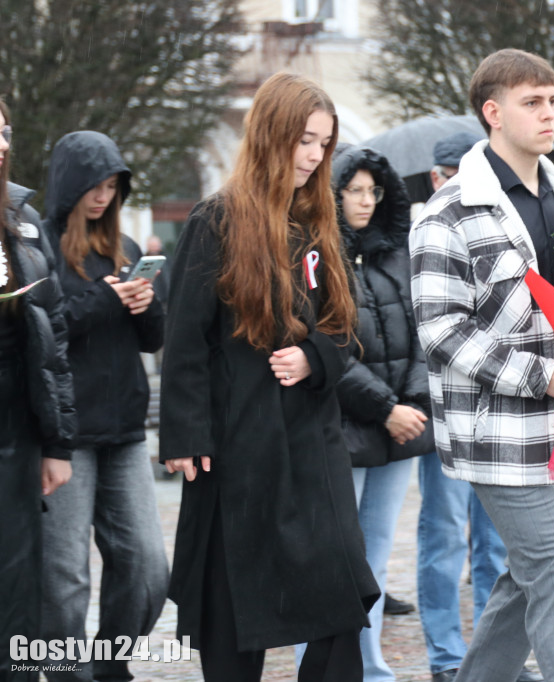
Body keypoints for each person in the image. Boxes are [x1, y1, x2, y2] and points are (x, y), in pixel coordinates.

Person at [159, 72, 378, 682]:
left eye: (323, 144)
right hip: (239, 445)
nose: (313, 156)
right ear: (271, 134)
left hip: (313, 441)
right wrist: (186, 435)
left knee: (341, 593)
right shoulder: (217, 219)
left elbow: (346, 325)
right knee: (234, 605)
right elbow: (185, 341)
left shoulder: (319, 221)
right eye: (304, 140)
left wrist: (315, 358)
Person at [409, 48, 554, 682]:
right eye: (532, 102)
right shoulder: (449, 212)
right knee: (552, 573)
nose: (549, 114)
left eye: (552, 100)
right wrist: (540, 376)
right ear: (493, 112)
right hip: (498, 431)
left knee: (532, 578)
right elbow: (440, 329)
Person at [38, 129, 169, 682]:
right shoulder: (36, 247)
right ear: (71, 184)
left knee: (147, 567)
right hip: (65, 433)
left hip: (125, 431)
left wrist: (142, 304)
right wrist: (106, 300)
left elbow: (152, 339)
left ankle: (109, 666)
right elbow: (41, 335)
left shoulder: (128, 250)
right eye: (95, 184)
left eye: (113, 186)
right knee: (65, 576)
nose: (103, 196)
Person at [414, 132, 530, 682]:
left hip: (504, 410)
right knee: (442, 535)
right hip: (440, 408)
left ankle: (492, 658)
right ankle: (444, 653)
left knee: (498, 549)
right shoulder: (432, 224)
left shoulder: (500, 216)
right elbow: (433, 327)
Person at [323, 143, 430, 681]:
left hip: (399, 425)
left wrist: (410, 402)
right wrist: (386, 408)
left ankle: (371, 666)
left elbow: (423, 331)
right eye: (354, 191)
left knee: (378, 554)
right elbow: (326, 350)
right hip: (347, 426)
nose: (365, 201)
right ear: (332, 194)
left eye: (373, 190)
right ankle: (324, 668)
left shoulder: (396, 251)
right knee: (339, 558)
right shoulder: (318, 256)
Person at [0, 100, 76, 682]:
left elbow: (52, 342)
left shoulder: (20, 221)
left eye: (4, 132)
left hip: (16, 432)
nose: (2, 145)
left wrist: (56, 442)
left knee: (17, 581)